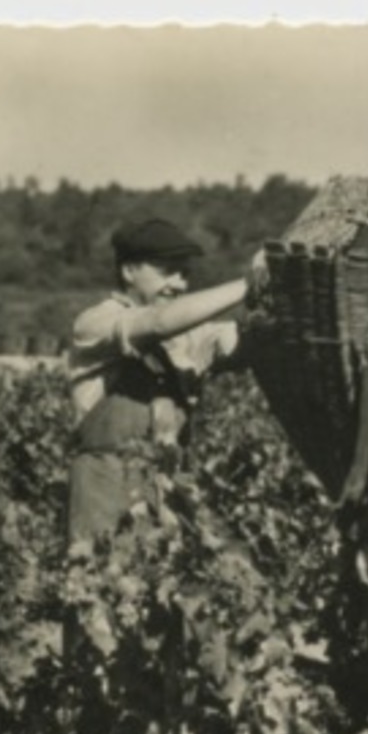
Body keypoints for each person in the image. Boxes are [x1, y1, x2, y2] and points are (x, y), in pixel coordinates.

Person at [65, 218, 259, 546]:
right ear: (128, 271)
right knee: (101, 587)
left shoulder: (193, 334)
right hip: (106, 490)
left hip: (168, 494)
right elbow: (155, 323)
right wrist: (248, 284)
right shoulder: (96, 323)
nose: (179, 284)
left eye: (184, 273)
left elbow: (249, 341)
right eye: (167, 271)